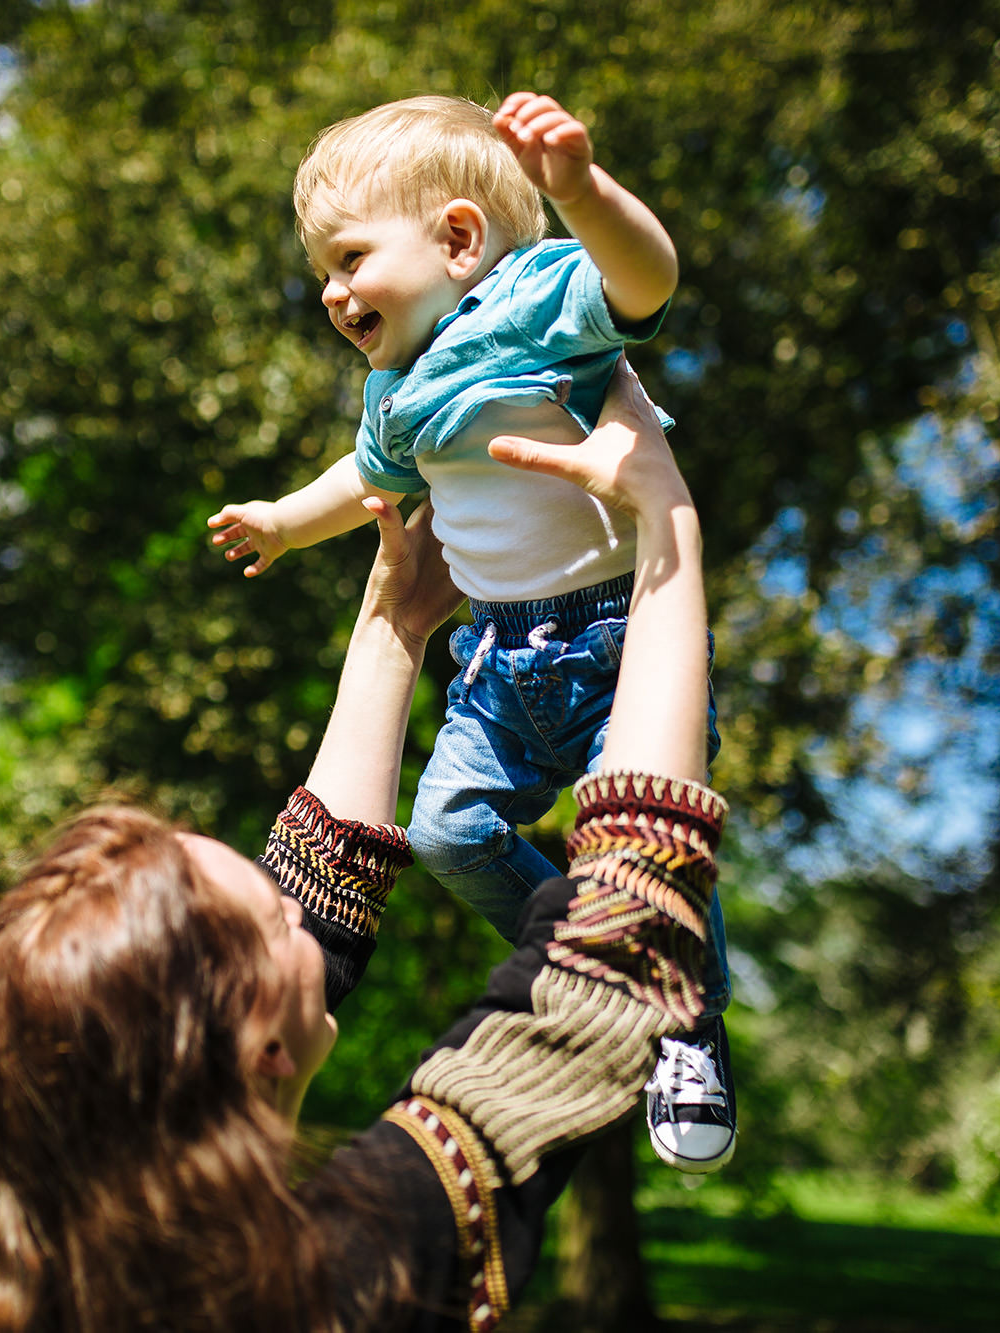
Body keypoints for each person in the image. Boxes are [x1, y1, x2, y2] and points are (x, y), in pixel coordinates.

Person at [0, 359, 730, 1331]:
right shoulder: (343, 1272)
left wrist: (393, 619)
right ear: (254, 1046)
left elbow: (318, 891)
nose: (301, 905)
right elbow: (612, 954)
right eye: (274, 923)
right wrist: (663, 521)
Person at [206, 91, 734, 1171]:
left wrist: (580, 192)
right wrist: (281, 524)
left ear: (456, 239)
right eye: (323, 268)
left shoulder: (536, 300)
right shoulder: (393, 392)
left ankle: (679, 1010)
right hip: (493, 658)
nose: (330, 288)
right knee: (445, 834)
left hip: (611, 641)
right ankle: (597, 951)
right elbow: (364, 478)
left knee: (641, 844)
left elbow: (646, 284)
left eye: (349, 256)